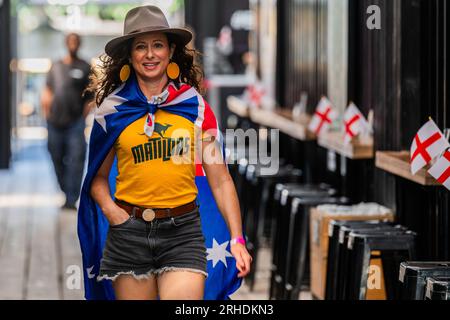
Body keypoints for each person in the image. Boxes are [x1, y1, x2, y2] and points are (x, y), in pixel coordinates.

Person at [80, 5, 252, 300]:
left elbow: (221, 180)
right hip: (128, 235)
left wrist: (236, 238)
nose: (150, 54)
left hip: (182, 232)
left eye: (158, 45)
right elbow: (96, 180)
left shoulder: (194, 107)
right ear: (129, 55)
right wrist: (116, 216)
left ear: (171, 51)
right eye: (141, 47)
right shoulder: (111, 112)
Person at [41, 33, 92, 209]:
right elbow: (47, 90)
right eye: (70, 41)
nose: (73, 44)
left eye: (75, 41)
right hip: (54, 122)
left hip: (75, 123)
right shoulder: (55, 66)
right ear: (66, 43)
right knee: (55, 155)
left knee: (77, 159)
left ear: (79, 44)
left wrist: (82, 118)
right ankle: (65, 189)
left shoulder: (85, 67)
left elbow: (90, 97)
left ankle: (71, 198)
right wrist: (46, 114)